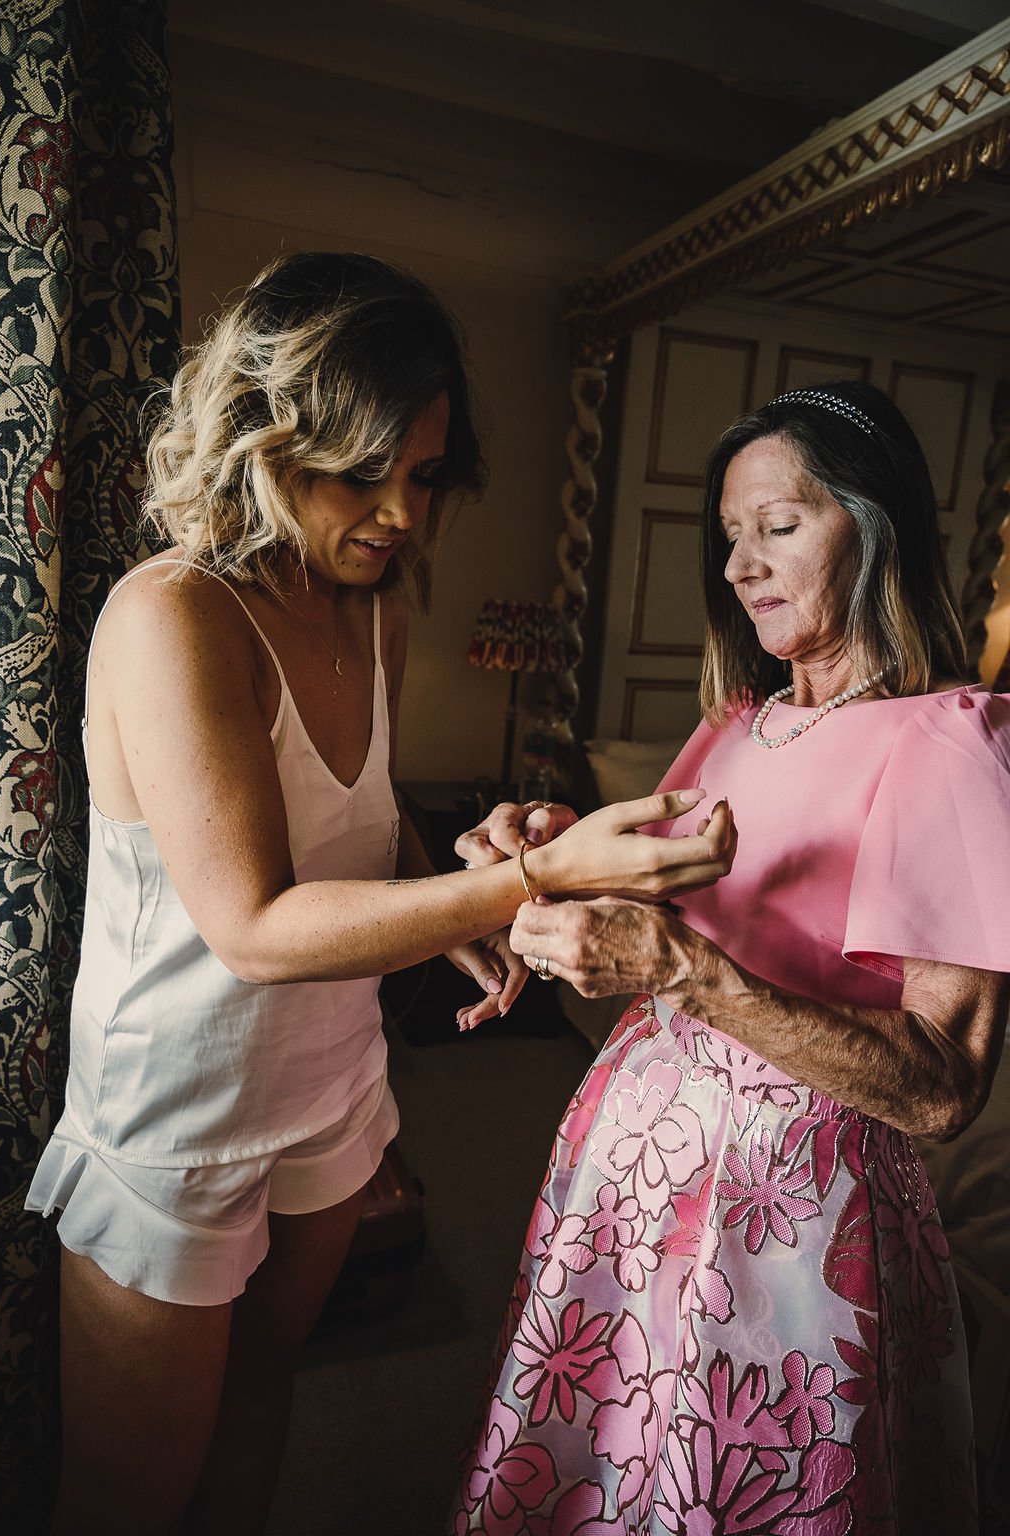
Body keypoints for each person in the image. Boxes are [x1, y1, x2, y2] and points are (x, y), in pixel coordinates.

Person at [24, 251, 738, 1536]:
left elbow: (360, 824)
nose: (402, 515)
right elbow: (249, 925)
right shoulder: (172, 615)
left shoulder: (375, 606)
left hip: (332, 1080)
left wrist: (449, 872)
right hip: (176, 1113)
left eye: (419, 475)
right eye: (363, 474)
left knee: (262, 1389)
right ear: (263, 436)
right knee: (125, 1497)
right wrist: (533, 880)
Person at [450, 380, 1010, 1536]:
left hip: (797, 1220)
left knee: (730, 1485)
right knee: (610, 1461)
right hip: (635, 1177)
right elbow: (659, 895)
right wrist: (538, 856)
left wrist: (686, 976)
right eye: (730, 537)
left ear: (876, 522)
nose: (743, 564)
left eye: (782, 525)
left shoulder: (946, 745)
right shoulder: (737, 721)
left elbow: (942, 1087)